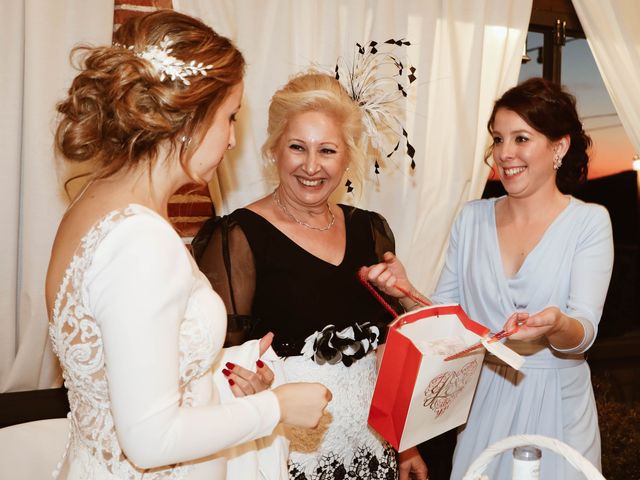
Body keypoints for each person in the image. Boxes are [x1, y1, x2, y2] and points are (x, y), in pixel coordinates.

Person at [45, 10, 331, 479]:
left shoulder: (91, 203)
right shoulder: (140, 239)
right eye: (230, 117)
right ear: (189, 119)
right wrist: (277, 406)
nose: (234, 138)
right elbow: (150, 439)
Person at [362, 77, 614, 479]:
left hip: (559, 407)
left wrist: (556, 326)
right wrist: (406, 293)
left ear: (559, 147)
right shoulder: (472, 218)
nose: (505, 153)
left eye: (521, 138)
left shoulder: (588, 223)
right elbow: (450, 321)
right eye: (498, 139)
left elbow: (584, 330)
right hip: (485, 400)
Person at [193, 71, 428, 480]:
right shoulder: (237, 238)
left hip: (373, 451)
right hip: (287, 456)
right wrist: (246, 384)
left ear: (347, 156)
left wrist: (406, 443)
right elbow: (220, 366)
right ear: (274, 151)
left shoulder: (370, 231)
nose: (312, 166)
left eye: (328, 151)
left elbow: (388, 351)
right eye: (297, 148)